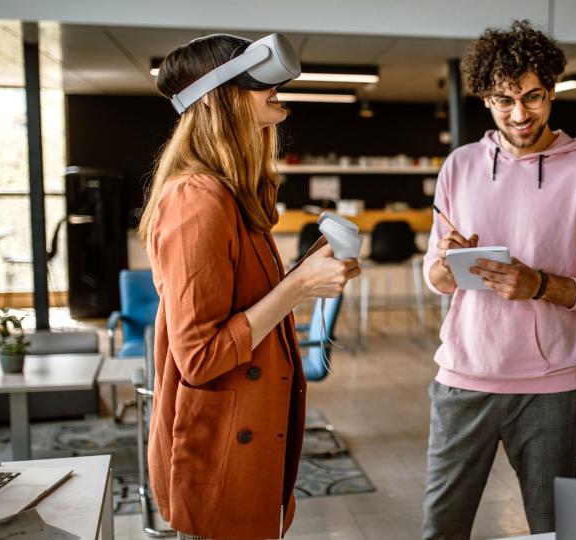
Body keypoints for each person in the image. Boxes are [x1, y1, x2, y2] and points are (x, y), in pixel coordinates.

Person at [138, 34, 360, 539]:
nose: (277, 90)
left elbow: (243, 302)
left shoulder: (234, 194)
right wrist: (299, 286)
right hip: (216, 451)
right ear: (223, 97)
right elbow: (199, 356)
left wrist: (311, 271)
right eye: (262, 83)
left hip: (247, 441)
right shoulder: (197, 199)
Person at [421, 20, 576, 538]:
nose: (520, 114)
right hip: (462, 379)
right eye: (502, 100)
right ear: (485, 99)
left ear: (552, 90)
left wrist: (538, 285)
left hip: (551, 388)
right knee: (441, 529)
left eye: (533, 98)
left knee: (554, 530)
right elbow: (435, 278)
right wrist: (447, 265)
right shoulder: (459, 166)